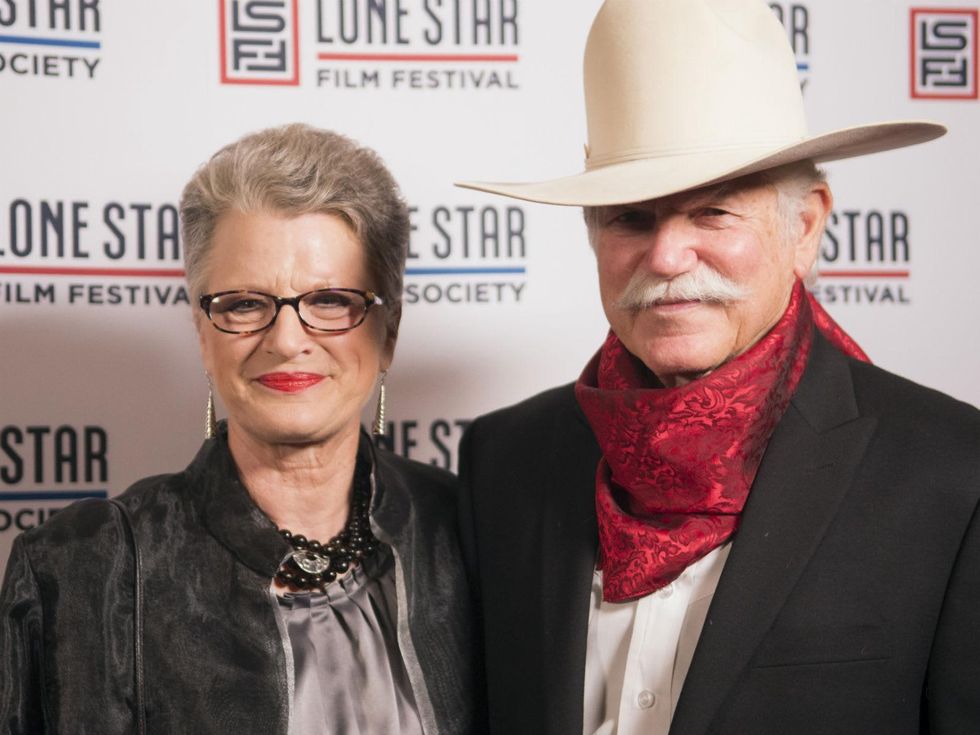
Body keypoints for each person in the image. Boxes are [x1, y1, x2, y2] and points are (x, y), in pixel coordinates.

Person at [455, 1, 980, 734]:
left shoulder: (952, 474)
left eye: (713, 213)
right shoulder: (504, 460)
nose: (667, 256)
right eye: (630, 217)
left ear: (805, 226)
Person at [0, 124, 479, 734]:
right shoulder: (79, 572)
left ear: (388, 332)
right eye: (245, 304)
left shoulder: (472, 536)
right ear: (203, 334)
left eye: (330, 300)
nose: (286, 340)